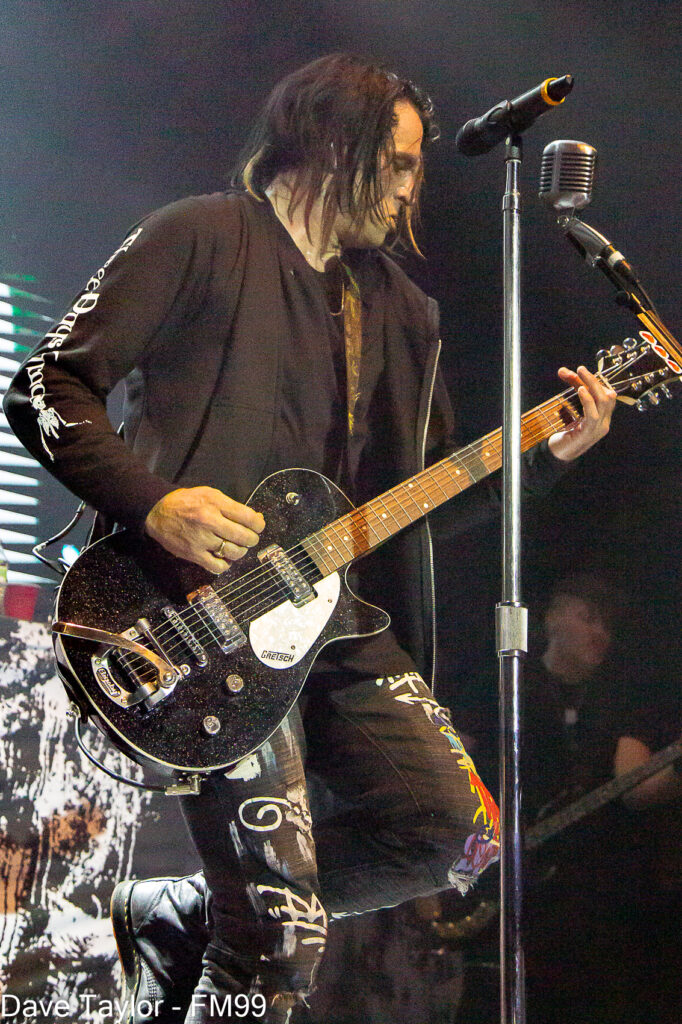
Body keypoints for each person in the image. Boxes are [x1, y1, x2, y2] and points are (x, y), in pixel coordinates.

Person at [3, 55, 616, 1024]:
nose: (412, 189)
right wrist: (157, 504)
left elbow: (413, 505)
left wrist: (541, 458)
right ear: (334, 144)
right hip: (194, 617)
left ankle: (186, 910)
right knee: (281, 941)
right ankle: (244, 919)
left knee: (456, 838)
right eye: (400, 163)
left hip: (334, 621)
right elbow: (46, 385)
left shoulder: (401, 310)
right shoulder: (199, 236)